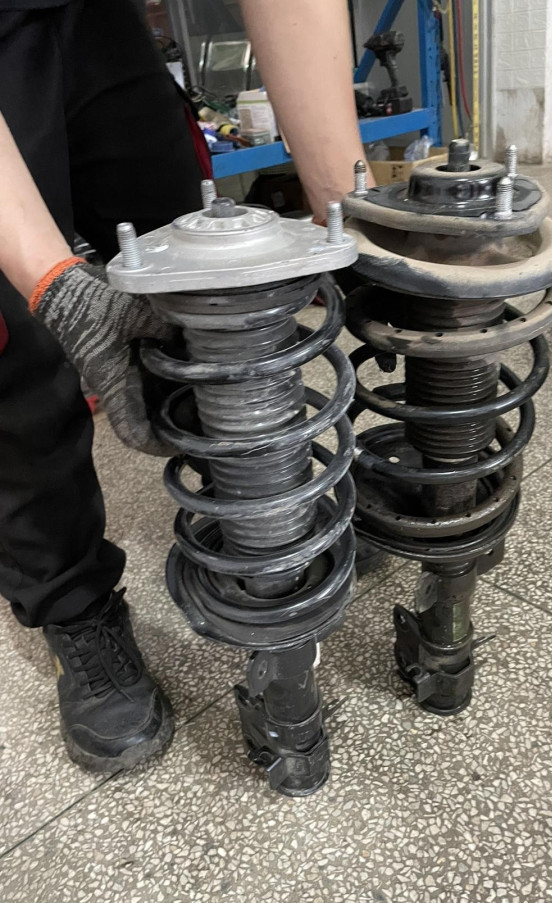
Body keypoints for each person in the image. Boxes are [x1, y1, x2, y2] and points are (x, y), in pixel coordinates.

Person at [0, 0, 372, 772]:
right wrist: (53, 283)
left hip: (98, 21)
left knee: (201, 280)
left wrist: (351, 214)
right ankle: (73, 604)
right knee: (17, 350)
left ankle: (266, 543)